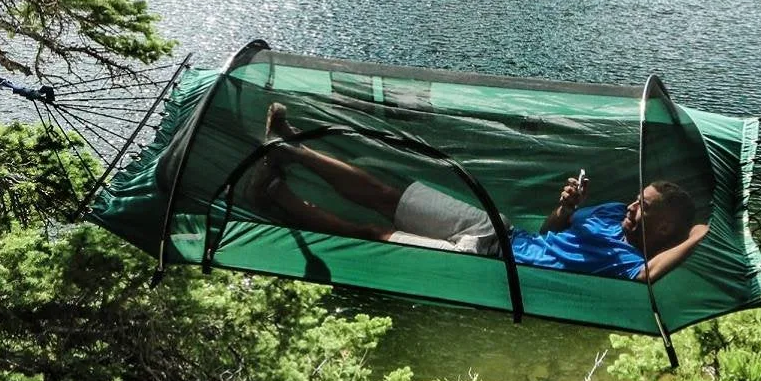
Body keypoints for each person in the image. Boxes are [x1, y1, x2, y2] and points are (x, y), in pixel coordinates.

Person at [247, 104, 710, 281]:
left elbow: (649, 276)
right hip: (497, 230)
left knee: (374, 232)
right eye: (636, 199)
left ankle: (275, 198)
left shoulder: (630, 262)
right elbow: (552, 232)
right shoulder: (612, 213)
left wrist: (700, 234)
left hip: (488, 266)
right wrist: (565, 208)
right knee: (388, 194)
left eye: (642, 207)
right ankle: (286, 147)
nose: (630, 206)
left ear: (665, 225)